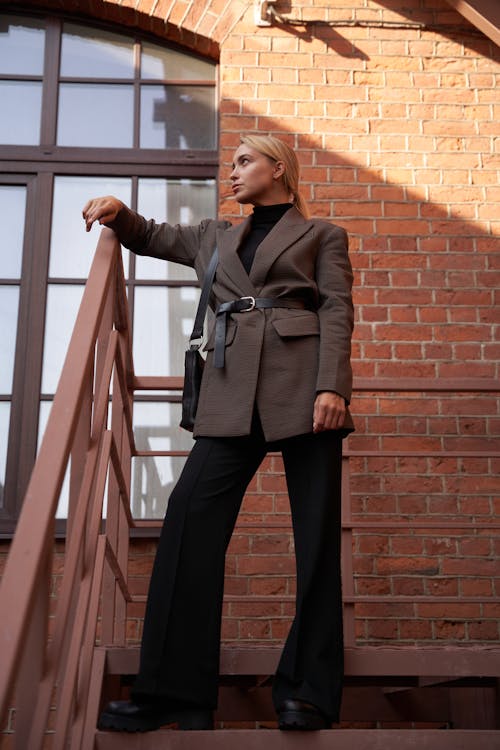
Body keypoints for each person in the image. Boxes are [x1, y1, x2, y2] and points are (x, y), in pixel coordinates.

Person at [82, 134, 354, 733]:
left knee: (315, 537)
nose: (232, 173)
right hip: (231, 392)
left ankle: (307, 690)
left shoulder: (321, 235)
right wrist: (119, 213)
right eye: (231, 165)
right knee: (187, 522)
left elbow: (336, 308)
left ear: (277, 168)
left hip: (303, 385)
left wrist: (332, 387)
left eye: (244, 162)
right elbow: (153, 236)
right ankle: (174, 694)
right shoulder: (214, 236)